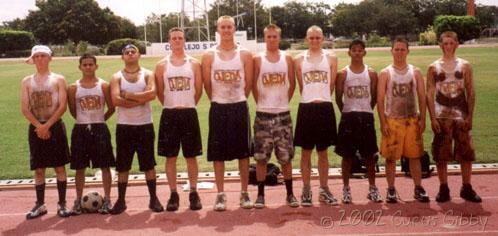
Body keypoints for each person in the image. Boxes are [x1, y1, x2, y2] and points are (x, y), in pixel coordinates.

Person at [201, 15, 254, 211]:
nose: (226, 30)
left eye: (229, 27)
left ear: (234, 29)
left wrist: (237, 98)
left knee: (243, 152)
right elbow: (207, 85)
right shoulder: (208, 55)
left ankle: (244, 193)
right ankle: (221, 194)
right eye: (222, 27)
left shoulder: (245, 54)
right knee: (218, 153)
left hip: (239, 106)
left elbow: (248, 84)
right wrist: (220, 99)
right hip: (218, 107)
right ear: (218, 30)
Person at [426, 31, 481, 203]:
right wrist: (433, 118)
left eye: (451, 43)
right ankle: (443, 187)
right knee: (441, 154)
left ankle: (466, 187)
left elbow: (471, 92)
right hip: (442, 115)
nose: (448, 46)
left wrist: (470, 116)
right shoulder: (433, 67)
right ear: (440, 45)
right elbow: (429, 94)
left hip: (461, 114)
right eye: (445, 43)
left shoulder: (465, 66)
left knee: (466, 152)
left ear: (457, 44)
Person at [109, 44, 164, 214]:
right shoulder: (116, 77)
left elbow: (152, 94)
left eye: (133, 51)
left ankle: (153, 199)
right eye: (127, 52)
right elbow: (116, 101)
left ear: (139, 55)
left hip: (144, 125)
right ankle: (121, 200)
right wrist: (140, 99)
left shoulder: (148, 74)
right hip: (124, 126)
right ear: (122, 57)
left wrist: (128, 95)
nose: (130, 54)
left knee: (148, 164)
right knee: (123, 166)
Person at [155, 27, 203, 211]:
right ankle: (173, 193)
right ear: (169, 41)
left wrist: (188, 103)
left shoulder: (194, 63)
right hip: (170, 113)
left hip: (189, 112)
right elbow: (160, 92)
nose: (177, 41)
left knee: (191, 156)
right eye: (173, 38)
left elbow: (198, 91)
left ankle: (193, 192)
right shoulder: (161, 65)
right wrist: (171, 104)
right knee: (171, 157)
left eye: (180, 38)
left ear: (184, 41)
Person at [21, 45, 71, 219]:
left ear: (50, 58)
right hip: (36, 127)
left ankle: (62, 204)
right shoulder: (27, 81)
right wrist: (39, 126)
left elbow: (62, 106)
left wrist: (47, 125)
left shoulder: (58, 79)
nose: (40, 59)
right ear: (33, 59)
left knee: (59, 167)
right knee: (39, 169)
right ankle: (40, 204)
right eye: (37, 56)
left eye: (43, 56)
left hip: (55, 126)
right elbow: (25, 109)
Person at [377, 37, 429, 203]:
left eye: (402, 49)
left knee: (414, 157)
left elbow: (422, 96)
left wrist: (423, 119)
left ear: (408, 51)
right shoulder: (385, 73)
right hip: (393, 120)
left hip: (412, 120)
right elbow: (379, 100)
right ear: (391, 51)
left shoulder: (415, 72)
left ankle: (418, 187)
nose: (399, 52)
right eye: (396, 49)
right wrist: (383, 122)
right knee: (391, 158)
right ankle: (391, 189)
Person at [252, 24, 298, 209]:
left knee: (286, 158)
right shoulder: (257, 59)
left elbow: (292, 84)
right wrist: (261, 102)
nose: (272, 39)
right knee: (261, 158)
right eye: (268, 37)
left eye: (275, 37)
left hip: (283, 115)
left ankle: (290, 194)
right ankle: (261, 195)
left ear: (279, 38)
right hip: (263, 114)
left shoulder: (287, 58)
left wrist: (282, 103)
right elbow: (253, 84)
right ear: (265, 38)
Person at [293, 25, 338, 206]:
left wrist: (321, 97)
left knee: (323, 153)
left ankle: (324, 189)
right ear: (306, 39)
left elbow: (332, 85)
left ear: (323, 39)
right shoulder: (298, 59)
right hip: (306, 108)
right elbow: (301, 86)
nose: (314, 41)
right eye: (311, 38)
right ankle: (306, 189)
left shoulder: (331, 58)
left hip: (325, 108)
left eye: (318, 38)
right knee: (305, 153)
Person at [335, 39, 382, 204]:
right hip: (349, 117)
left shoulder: (371, 73)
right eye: (354, 50)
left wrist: (365, 109)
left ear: (364, 52)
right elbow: (338, 98)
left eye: (360, 50)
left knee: (369, 156)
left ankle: (372, 188)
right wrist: (347, 111)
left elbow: (375, 97)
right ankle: (346, 189)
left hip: (366, 116)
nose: (357, 53)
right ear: (349, 52)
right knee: (347, 156)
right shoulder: (343, 73)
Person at [67, 54, 116, 215]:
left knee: (105, 165)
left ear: (96, 66)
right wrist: (84, 121)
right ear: (80, 67)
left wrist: (100, 120)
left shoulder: (103, 86)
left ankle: (107, 199)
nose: (88, 67)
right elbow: (73, 111)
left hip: (100, 128)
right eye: (85, 65)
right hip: (80, 129)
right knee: (79, 167)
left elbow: (111, 107)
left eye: (91, 64)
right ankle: (78, 200)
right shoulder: (73, 87)